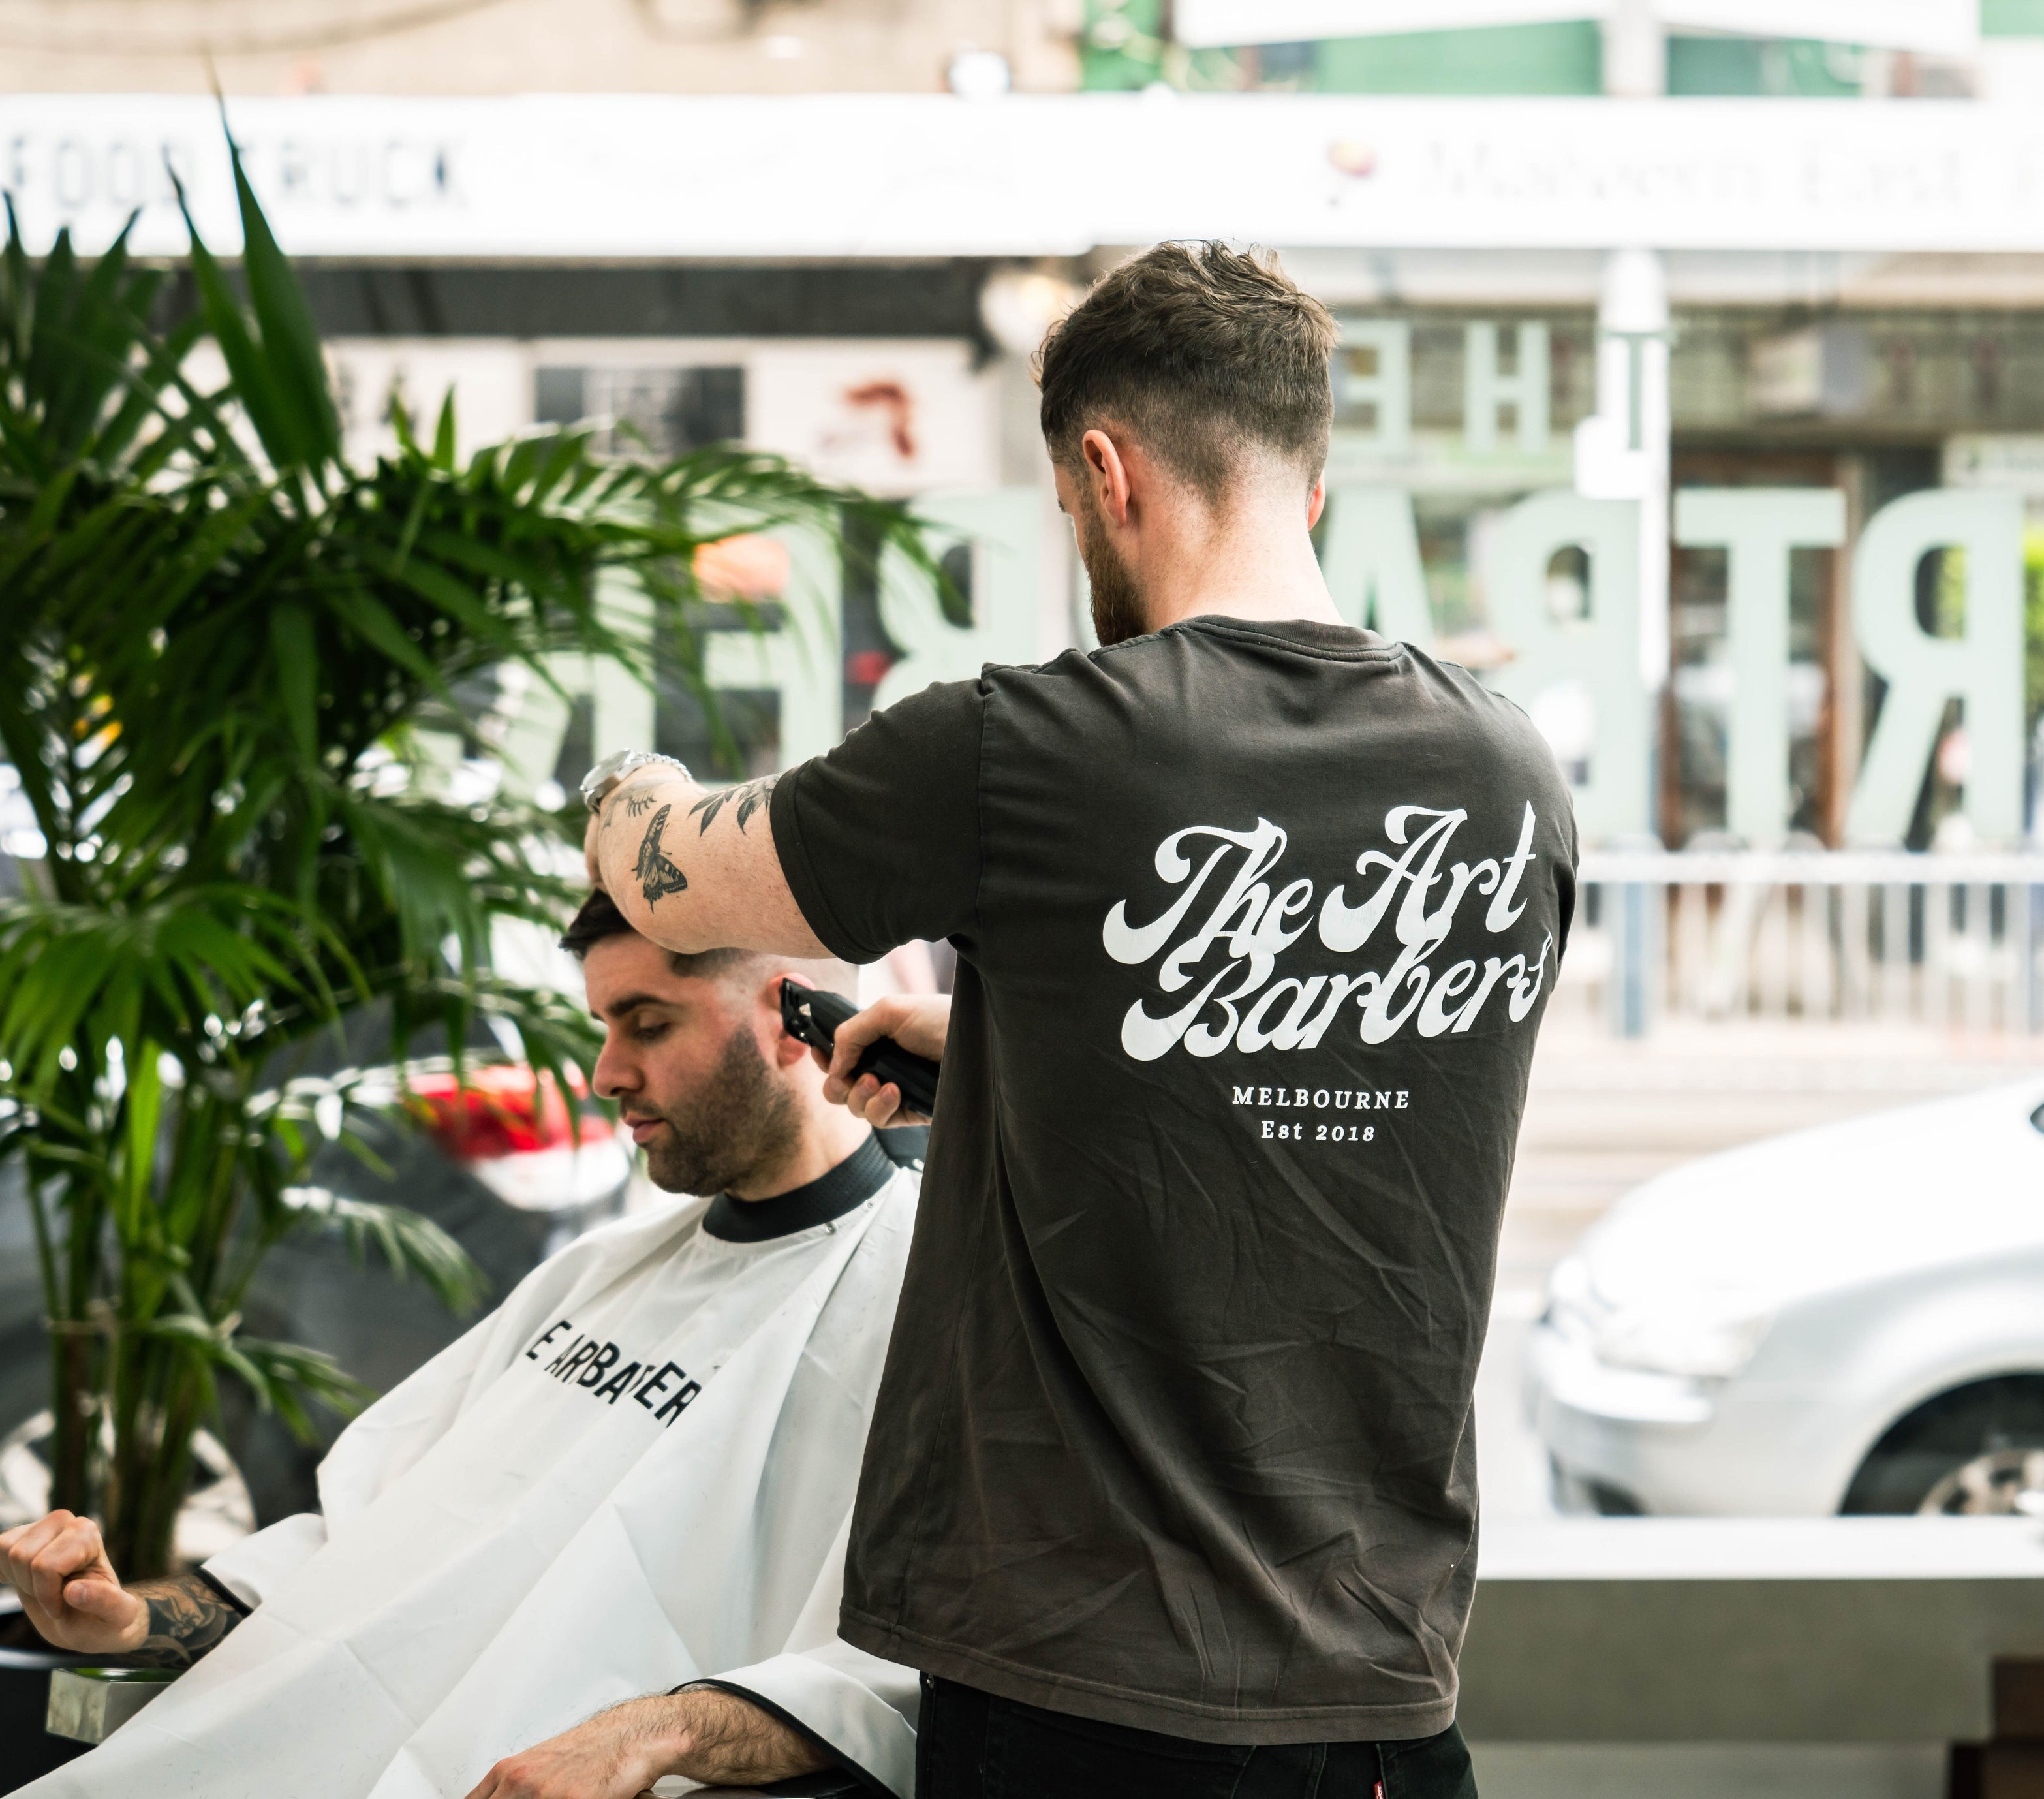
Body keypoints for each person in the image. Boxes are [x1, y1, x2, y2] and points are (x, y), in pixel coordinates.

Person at [579, 241, 1577, 1798]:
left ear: (1105, 472)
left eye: (1065, 508)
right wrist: (1001, 1059)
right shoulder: (1511, 780)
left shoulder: (1027, 751)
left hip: (1087, 1713)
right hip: (1384, 1710)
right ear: (1308, 483)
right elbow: (1331, 1112)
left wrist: (619, 788)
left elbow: (679, 881)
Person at [0, 894, 921, 1799]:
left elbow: (908, 1670)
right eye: (604, 1026)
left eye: (647, 1025)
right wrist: (134, 1621)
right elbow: (362, 1530)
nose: (606, 1074)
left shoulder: (925, 1300)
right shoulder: (593, 1275)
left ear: (800, 1022)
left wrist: (659, 1727)